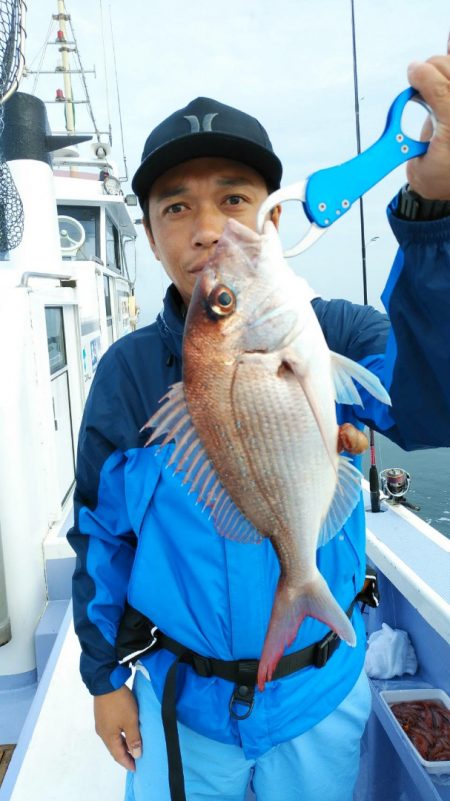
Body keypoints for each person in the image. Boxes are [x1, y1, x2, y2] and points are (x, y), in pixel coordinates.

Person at [68, 45, 450, 801]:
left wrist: (434, 216)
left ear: (275, 215)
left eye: (235, 198)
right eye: (177, 206)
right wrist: (102, 678)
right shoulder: (129, 375)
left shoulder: (332, 333)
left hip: (317, 698)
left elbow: (431, 400)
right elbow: (98, 534)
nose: (209, 228)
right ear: (148, 235)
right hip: (185, 709)